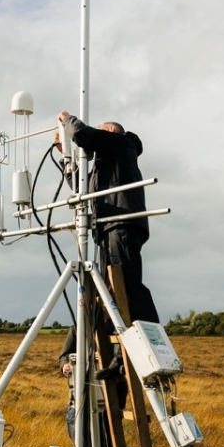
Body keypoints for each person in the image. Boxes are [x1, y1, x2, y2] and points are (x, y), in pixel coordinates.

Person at [57, 111, 160, 326]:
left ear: (111, 130)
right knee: (107, 290)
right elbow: (81, 187)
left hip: (121, 223)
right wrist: (65, 157)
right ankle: (110, 343)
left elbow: (83, 134)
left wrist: (67, 119)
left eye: (100, 129)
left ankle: (150, 334)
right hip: (108, 227)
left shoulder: (122, 143)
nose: (98, 133)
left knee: (126, 283)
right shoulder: (105, 164)